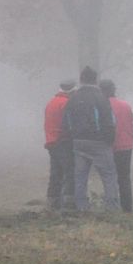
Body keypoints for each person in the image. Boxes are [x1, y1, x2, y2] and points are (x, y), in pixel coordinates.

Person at [63, 66, 119, 211]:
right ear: (95, 80)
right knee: (108, 175)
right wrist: (110, 140)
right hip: (99, 142)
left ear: (81, 80)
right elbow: (110, 121)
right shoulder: (101, 97)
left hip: (78, 142)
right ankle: (111, 207)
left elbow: (66, 120)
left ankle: (82, 206)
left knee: (80, 176)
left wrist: (72, 138)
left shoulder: (73, 98)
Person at [99, 79, 133, 213]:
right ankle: (127, 208)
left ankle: (111, 206)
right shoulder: (125, 105)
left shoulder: (101, 105)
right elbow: (132, 123)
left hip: (109, 146)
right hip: (126, 145)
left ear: (101, 91)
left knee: (110, 177)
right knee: (124, 177)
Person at [44, 79, 77, 210]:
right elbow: (70, 124)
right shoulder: (66, 103)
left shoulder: (51, 102)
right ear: (72, 91)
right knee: (69, 172)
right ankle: (69, 202)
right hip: (63, 141)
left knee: (55, 172)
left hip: (51, 141)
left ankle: (52, 201)